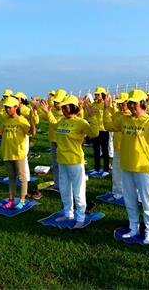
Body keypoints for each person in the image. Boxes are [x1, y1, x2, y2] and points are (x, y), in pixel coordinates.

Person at [103, 89, 149, 245]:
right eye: (130, 103)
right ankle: (134, 227)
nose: (130, 106)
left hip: (143, 168)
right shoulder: (124, 120)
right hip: (126, 166)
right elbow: (109, 126)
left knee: (146, 201)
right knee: (129, 199)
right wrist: (106, 109)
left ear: (142, 104)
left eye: (133, 103)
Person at [43, 95, 98, 228]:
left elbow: (94, 133)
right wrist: (48, 112)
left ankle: (80, 216)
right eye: (63, 107)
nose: (63, 109)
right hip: (62, 160)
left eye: (66, 107)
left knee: (78, 191)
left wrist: (94, 118)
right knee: (65, 189)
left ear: (73, 107)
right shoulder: (62, 121)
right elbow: (55, 126)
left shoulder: (81, 122)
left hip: (75, 161)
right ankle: (68, 213)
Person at [0, 96, 36, 210]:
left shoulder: (21, 120)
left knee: (22, 177)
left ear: (16, 107)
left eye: (9, 107)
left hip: (18, 153)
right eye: (6, 107)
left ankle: (22, 200)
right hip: (7, 152)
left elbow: (32, 132)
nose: (7, 110)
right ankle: (11, 200)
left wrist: (31, 119)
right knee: (11, 178)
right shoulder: (6, 120)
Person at [39, 89, 67, 190]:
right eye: (55, 102)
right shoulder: (53, 110)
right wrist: (38, 108)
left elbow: (57, 125)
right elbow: (42, 117)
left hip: (63, 141)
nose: (55, 104)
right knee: (55, 164)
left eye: (58, 102)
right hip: (53, 140)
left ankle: (65, 185)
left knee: (64, 164)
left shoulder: (66, 113)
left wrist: (48, 113)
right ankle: (57, 184)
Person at [104, 92, 130, 201]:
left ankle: (130, 193)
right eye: (119, 104)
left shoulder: (130, 115)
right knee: (117, 172)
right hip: (117, 148)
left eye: (122, 104)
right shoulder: (118, 114)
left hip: (128, 149)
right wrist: (106, 108)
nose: (120, 106)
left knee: (129, 173)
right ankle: (117, 193)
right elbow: (109, 123)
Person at [90, 87, 110, 174]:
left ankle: (106, 169)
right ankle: (96, 168)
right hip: (95, 130)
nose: (96, 96)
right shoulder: (93, 104)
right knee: (96, 150)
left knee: (105, 151)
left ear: (103, 95)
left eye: (98, 94)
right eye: (95, 94)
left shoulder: (106, 104)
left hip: (104, 130)